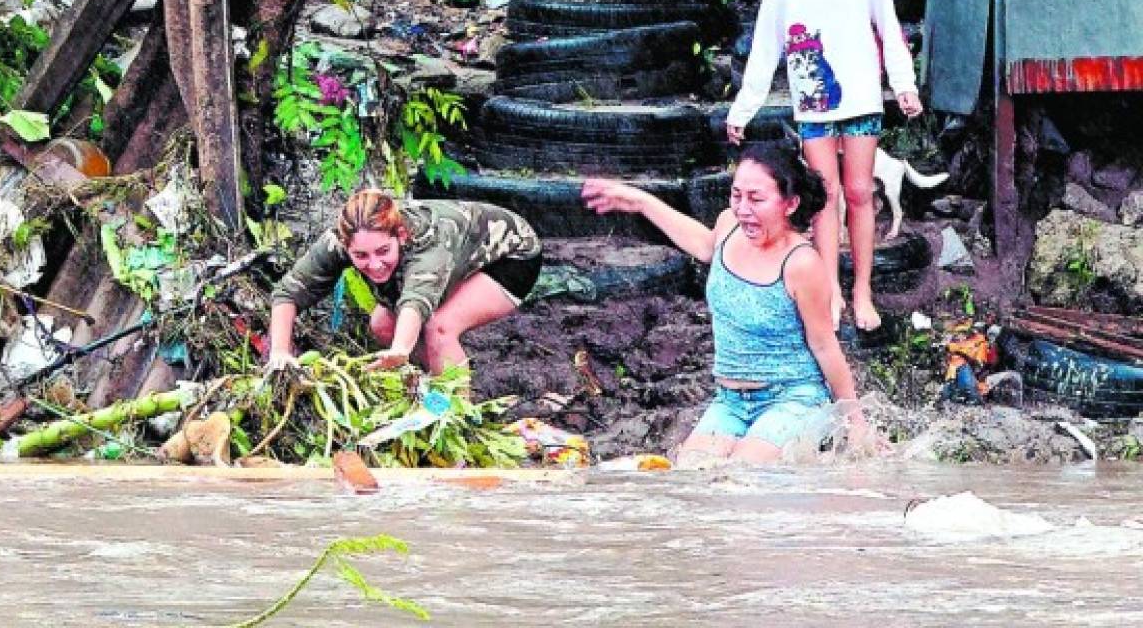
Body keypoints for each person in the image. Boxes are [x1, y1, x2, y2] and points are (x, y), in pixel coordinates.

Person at [581, 144, 876, 465]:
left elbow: (824, 346)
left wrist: (855, 421)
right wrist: (639, 201)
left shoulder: (801, 263)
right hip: (730, 401)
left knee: (741, 477)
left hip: (794, 398)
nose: (743, 208)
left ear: (790, 204)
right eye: (736, 195)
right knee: (692, 474)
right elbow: (704, 245)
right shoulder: (728, 226)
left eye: (756, 198)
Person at [726, 0, 923, 332]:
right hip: (813, 104)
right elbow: (765, 50)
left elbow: (889, 33)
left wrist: (904, 85)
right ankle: (830, 290)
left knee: (858, 192)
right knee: (826, 195)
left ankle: (863, 291)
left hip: (861, 99)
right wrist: (743, 108)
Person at [267, 190, 542, 375]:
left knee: (440, 328)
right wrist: (279, 352)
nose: (374, 264)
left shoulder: (429, 242)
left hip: (510, 257)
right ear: (345, 245)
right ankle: (431, 383)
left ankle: (457, 420)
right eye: (361, 256)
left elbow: (417, 301)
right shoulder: (337, 241)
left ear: (400, 235)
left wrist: (400, 350)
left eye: (382, 252)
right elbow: (288, 292)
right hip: (456, 256)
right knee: (383, 326)